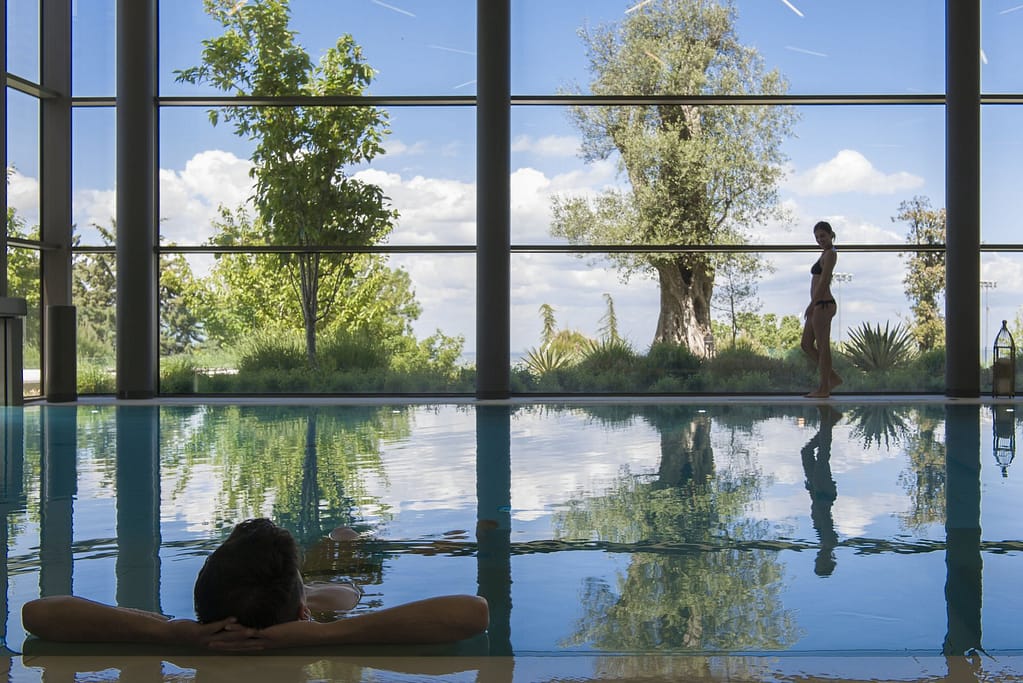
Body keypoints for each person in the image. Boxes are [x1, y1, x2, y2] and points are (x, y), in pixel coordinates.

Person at [22, 518, 489, 651]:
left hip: (291, 594)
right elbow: (472, 612)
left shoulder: (190, 629)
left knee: (338, 542)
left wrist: (167, 631)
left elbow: (41, 613)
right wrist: (326, 634)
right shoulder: (323, 615)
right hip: (332, 590)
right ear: (303, 611)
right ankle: (368, 544)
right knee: (345, 542)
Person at [801, 220, 842, 398]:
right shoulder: (824, 253)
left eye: (823, 236)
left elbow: (825, 280)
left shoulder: (831, 254)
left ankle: (824, 388)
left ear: (831, 234)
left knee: (823, 347)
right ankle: (831, 378)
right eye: (817, 237)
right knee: (806, 344)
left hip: (823, 305)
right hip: (818, 305)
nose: (820, 239)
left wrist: (812, 304)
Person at [800, 404, 841, 576]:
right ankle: (827, 419)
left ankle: (830, 421)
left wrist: (811, 491)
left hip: (817, 491)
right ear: (827, 561)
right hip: (823, 493)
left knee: (806, 452)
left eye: (816, 563)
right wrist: (816, 493)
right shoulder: (829, 542)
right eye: (820, 563)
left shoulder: (823, 542)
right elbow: (823, 514)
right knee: (822, 455)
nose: (817, 560)